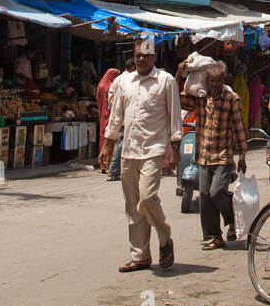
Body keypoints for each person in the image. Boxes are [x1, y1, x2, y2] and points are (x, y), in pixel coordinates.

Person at [100, 35, 182, 272]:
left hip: (154, 149)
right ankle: (140, 255)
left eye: (146, 55)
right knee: (133, 205)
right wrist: (107, 145)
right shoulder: (125, 81)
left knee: (147, 197)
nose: (141, 59)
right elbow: (116, 116)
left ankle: (165, 236)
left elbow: (175, 116)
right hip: (128, 150)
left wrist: (174, 149)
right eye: (137, 55)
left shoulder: (165, 81)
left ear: (154, 57)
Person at [180, 59, 247, 250]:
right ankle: (213, 236)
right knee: (204, 195)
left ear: (223, 80)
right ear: (206, 81)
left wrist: (242, 155)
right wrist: (179, 75)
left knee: (217, 192)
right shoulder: (201, 98)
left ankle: (231, 217)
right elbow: (181, 100)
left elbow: (239, 128)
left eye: (217, 81)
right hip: (203, 155)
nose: (214, 85)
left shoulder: (231, 99)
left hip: (223, 156)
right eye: (211, 81)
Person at [106, 59, 137, 181]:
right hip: (124, 117)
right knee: (121, 143)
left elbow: (111, 98)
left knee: (122, 142)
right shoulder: (127, 79)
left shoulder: (118, 79)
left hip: (119, 115)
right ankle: (113, 169)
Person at [96, 67, 119, 162]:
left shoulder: (100, 85)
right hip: (110, 113)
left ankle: (103, 163)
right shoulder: (111, 86)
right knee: (111, 136)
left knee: (103, 134)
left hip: (102, 113)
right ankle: (108, 163)